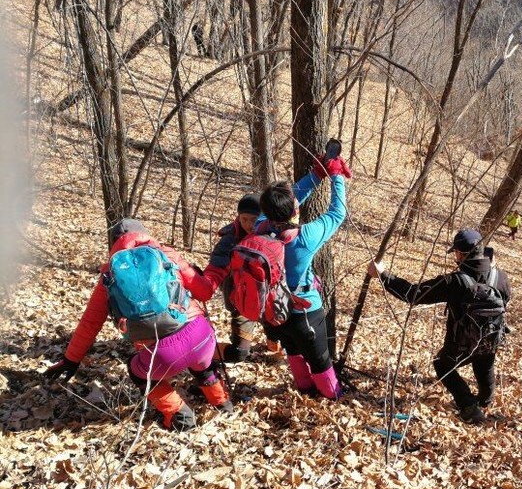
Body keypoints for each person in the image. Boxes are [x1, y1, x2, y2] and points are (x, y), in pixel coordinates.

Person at [45, 219, 230, 431]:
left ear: (114, 242)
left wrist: (71, 359)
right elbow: (204, 291)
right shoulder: (168, 255)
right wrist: (216, 270)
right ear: (145, 235)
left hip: (162, 356)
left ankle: (179, 415)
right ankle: (223, 404)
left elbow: (90, 323)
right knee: (202, 363)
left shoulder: (110, 275)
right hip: (202, 336)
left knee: (137, 371)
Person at [367, 229, 511, 425]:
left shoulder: (456, 281)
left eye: (456, 253)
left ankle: (469, 406)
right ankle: (485, 400)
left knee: (442, 364)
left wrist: (383, 275)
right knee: (485, 361)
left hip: (462, 343)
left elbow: (413, 294)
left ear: (460, 254)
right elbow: (506, 299)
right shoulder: (500, 276)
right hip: (492, 337)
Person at [255, 139, 350, 399]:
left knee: (293, 350)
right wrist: (336, 176)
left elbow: (288, 201)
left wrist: (316, 175)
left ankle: (305, 391)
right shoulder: (304, 238)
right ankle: (333, 398)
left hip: (275, 310)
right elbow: (337, 213)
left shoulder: (259, 228)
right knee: (321, 362)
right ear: (295, 209)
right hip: (304, 311)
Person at [200, 194, 282, 363]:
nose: (249, 225)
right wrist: (204, 287)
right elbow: (216, 267)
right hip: (241, 303)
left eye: (254, 219)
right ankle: (200, 352)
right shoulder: (229, 239)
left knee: (278, 340)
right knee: (238, 353)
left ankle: (273, 344)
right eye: (244, 219)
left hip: (270, 302)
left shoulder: (273, 233)